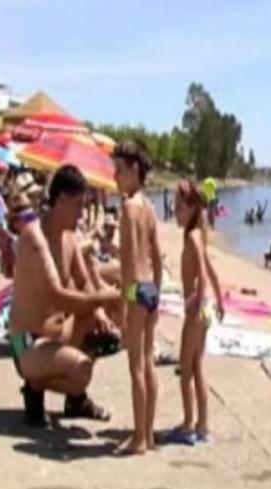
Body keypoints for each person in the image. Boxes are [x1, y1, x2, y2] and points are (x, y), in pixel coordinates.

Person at [9, 168, 121, 427]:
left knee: (112, 323)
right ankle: (34, 387)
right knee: (81, 371)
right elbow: (57, 296)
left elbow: (84, 284)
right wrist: (105, 298)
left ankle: (73, 402)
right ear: (59, 200)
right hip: (27, 343)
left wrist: (102, 311)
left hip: (57, 333)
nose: (83, 213)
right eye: (78, 205)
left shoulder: (69, 237)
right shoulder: (35, 239)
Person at [165, 180, 225, 445]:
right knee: (197, 367)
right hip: (205, 307)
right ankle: (202, 426)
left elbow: (201, 270)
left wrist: (196, 301)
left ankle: (190, 424)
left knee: (185, 367)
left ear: (191, 208)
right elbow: (210, 269)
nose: (174, 211)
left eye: (178, 207)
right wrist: (219, 299)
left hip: (197, 309)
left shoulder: (192, 236)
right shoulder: (197, 233)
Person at [113, 140, 163, 455]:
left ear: (133, 170)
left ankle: (140, 437)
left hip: (134, 288)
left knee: (136, 367)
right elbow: (157, 256)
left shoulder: (129, 208)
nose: (114, 177)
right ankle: (150, 433)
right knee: (148, 362)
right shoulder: (149, 207)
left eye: (118, 170)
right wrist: (156, 295)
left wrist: (122, 303)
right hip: (151, 288)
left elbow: (128, 261)